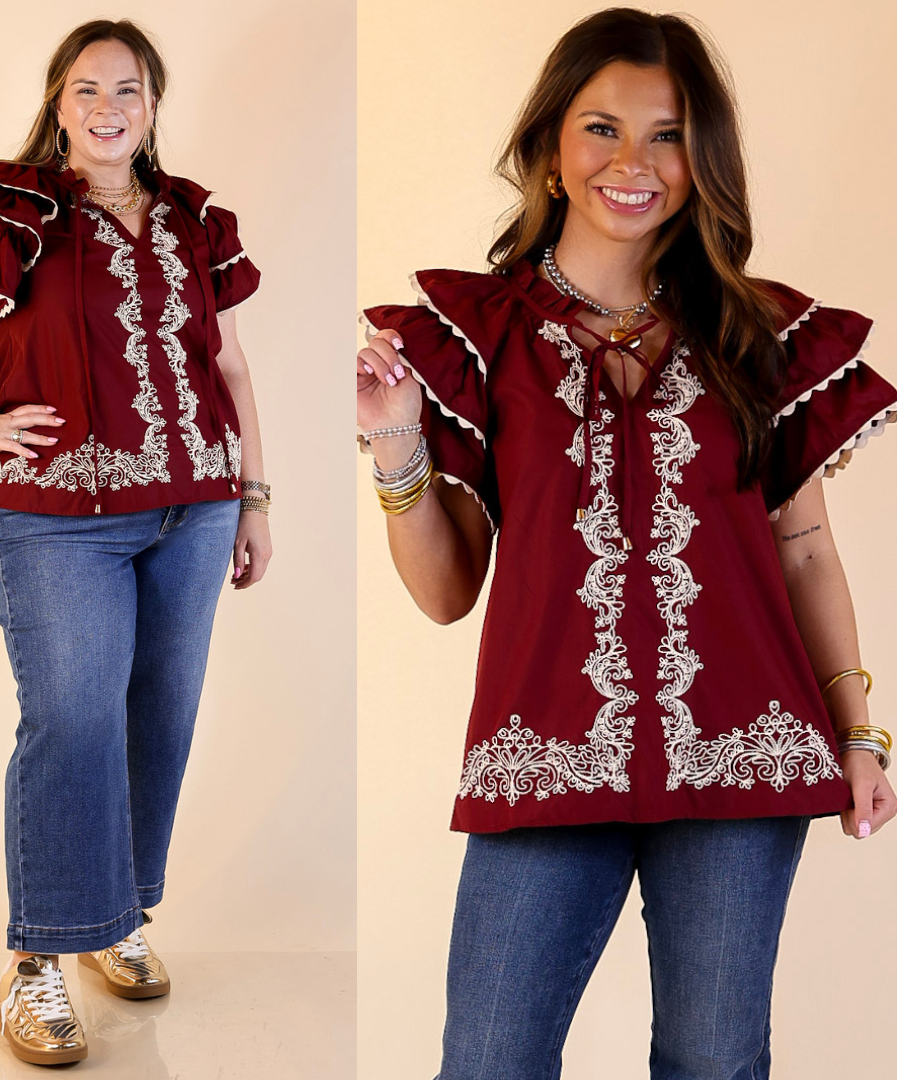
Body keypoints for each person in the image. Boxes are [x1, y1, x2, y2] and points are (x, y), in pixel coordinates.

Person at [357, 8, 896, 1078]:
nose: (634, 163)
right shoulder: (480, 335)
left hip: (745, 754)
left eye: (668, 134)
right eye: (602, 128)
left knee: (713, 1063)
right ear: (553, 147)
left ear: (702, 162)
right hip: (544, 750)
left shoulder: (762, 338)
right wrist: (396, 449)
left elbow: (804, 554)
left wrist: (861, 728)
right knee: (490, 1061)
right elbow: (449, 590)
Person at [0, 18, 272, 1067]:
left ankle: (113, 919)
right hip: (52, 519)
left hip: (198, 505)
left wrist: (255, 497)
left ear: (153, 104)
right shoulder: (12, 211)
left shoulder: (190, 219)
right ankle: (39, 957)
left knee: (159, 718)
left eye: (126, 90)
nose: (105, 109)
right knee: (72, 721)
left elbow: (230, 371)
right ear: (58, 102)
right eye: (85, 91)